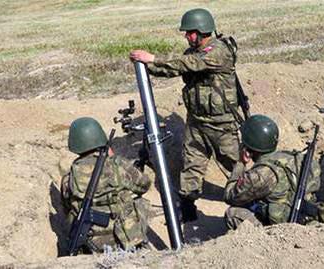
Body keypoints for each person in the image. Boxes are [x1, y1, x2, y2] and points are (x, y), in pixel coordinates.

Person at [129, 8, 241, 222]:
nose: (186, 36)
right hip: (197, 123)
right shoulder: (193, 53)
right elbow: (174, 69)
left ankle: (252, 201)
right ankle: (187, 211)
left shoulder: (219, 51)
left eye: (189, 32)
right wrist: (146, 65)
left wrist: (153, 57)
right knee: (191, 167)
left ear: (202, 31)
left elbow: (190, 64)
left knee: (236, 166)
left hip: (222, 124)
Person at [223, 115, 324, 230]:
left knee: (232, 213)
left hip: (282, 228)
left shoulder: (261, 175)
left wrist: (241, 162)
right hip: (306, 218)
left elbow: (230, 196)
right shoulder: (296, 158)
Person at [61, 117, 151, 252]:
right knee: (138, 201)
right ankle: (139, 244)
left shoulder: (70, 177)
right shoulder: (117, 165)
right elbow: (144, 184)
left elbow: (67, 204)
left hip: (90, 240)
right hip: (123, 237)